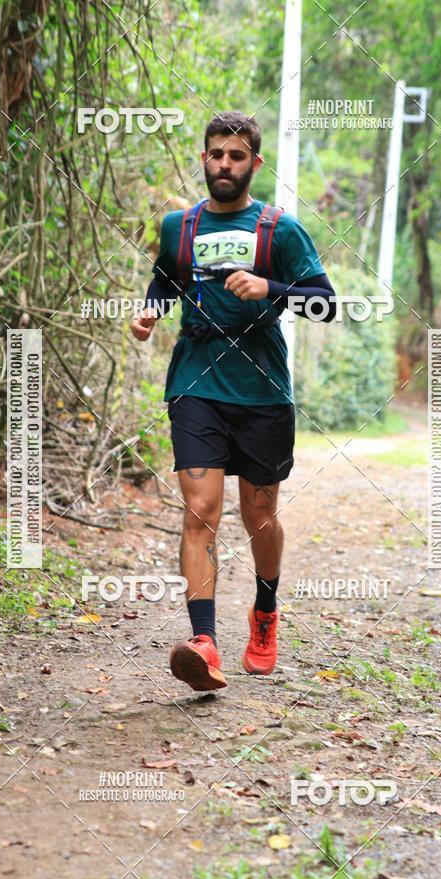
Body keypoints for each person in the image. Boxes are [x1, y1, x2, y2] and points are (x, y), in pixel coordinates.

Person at [131, 111, 336, 692]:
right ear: (203, 158)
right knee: (200, 511)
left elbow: (326, 303)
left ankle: (264, 614)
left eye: (236, 156)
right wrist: (151, 312)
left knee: (260, 516)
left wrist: (271, 287)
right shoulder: (178, 226)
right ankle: (205, 642)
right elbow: (167, 280)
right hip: (195, 383)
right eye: (216, 153)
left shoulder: (280, 230)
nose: (225, 164)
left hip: (262, 392)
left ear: (255, 163)